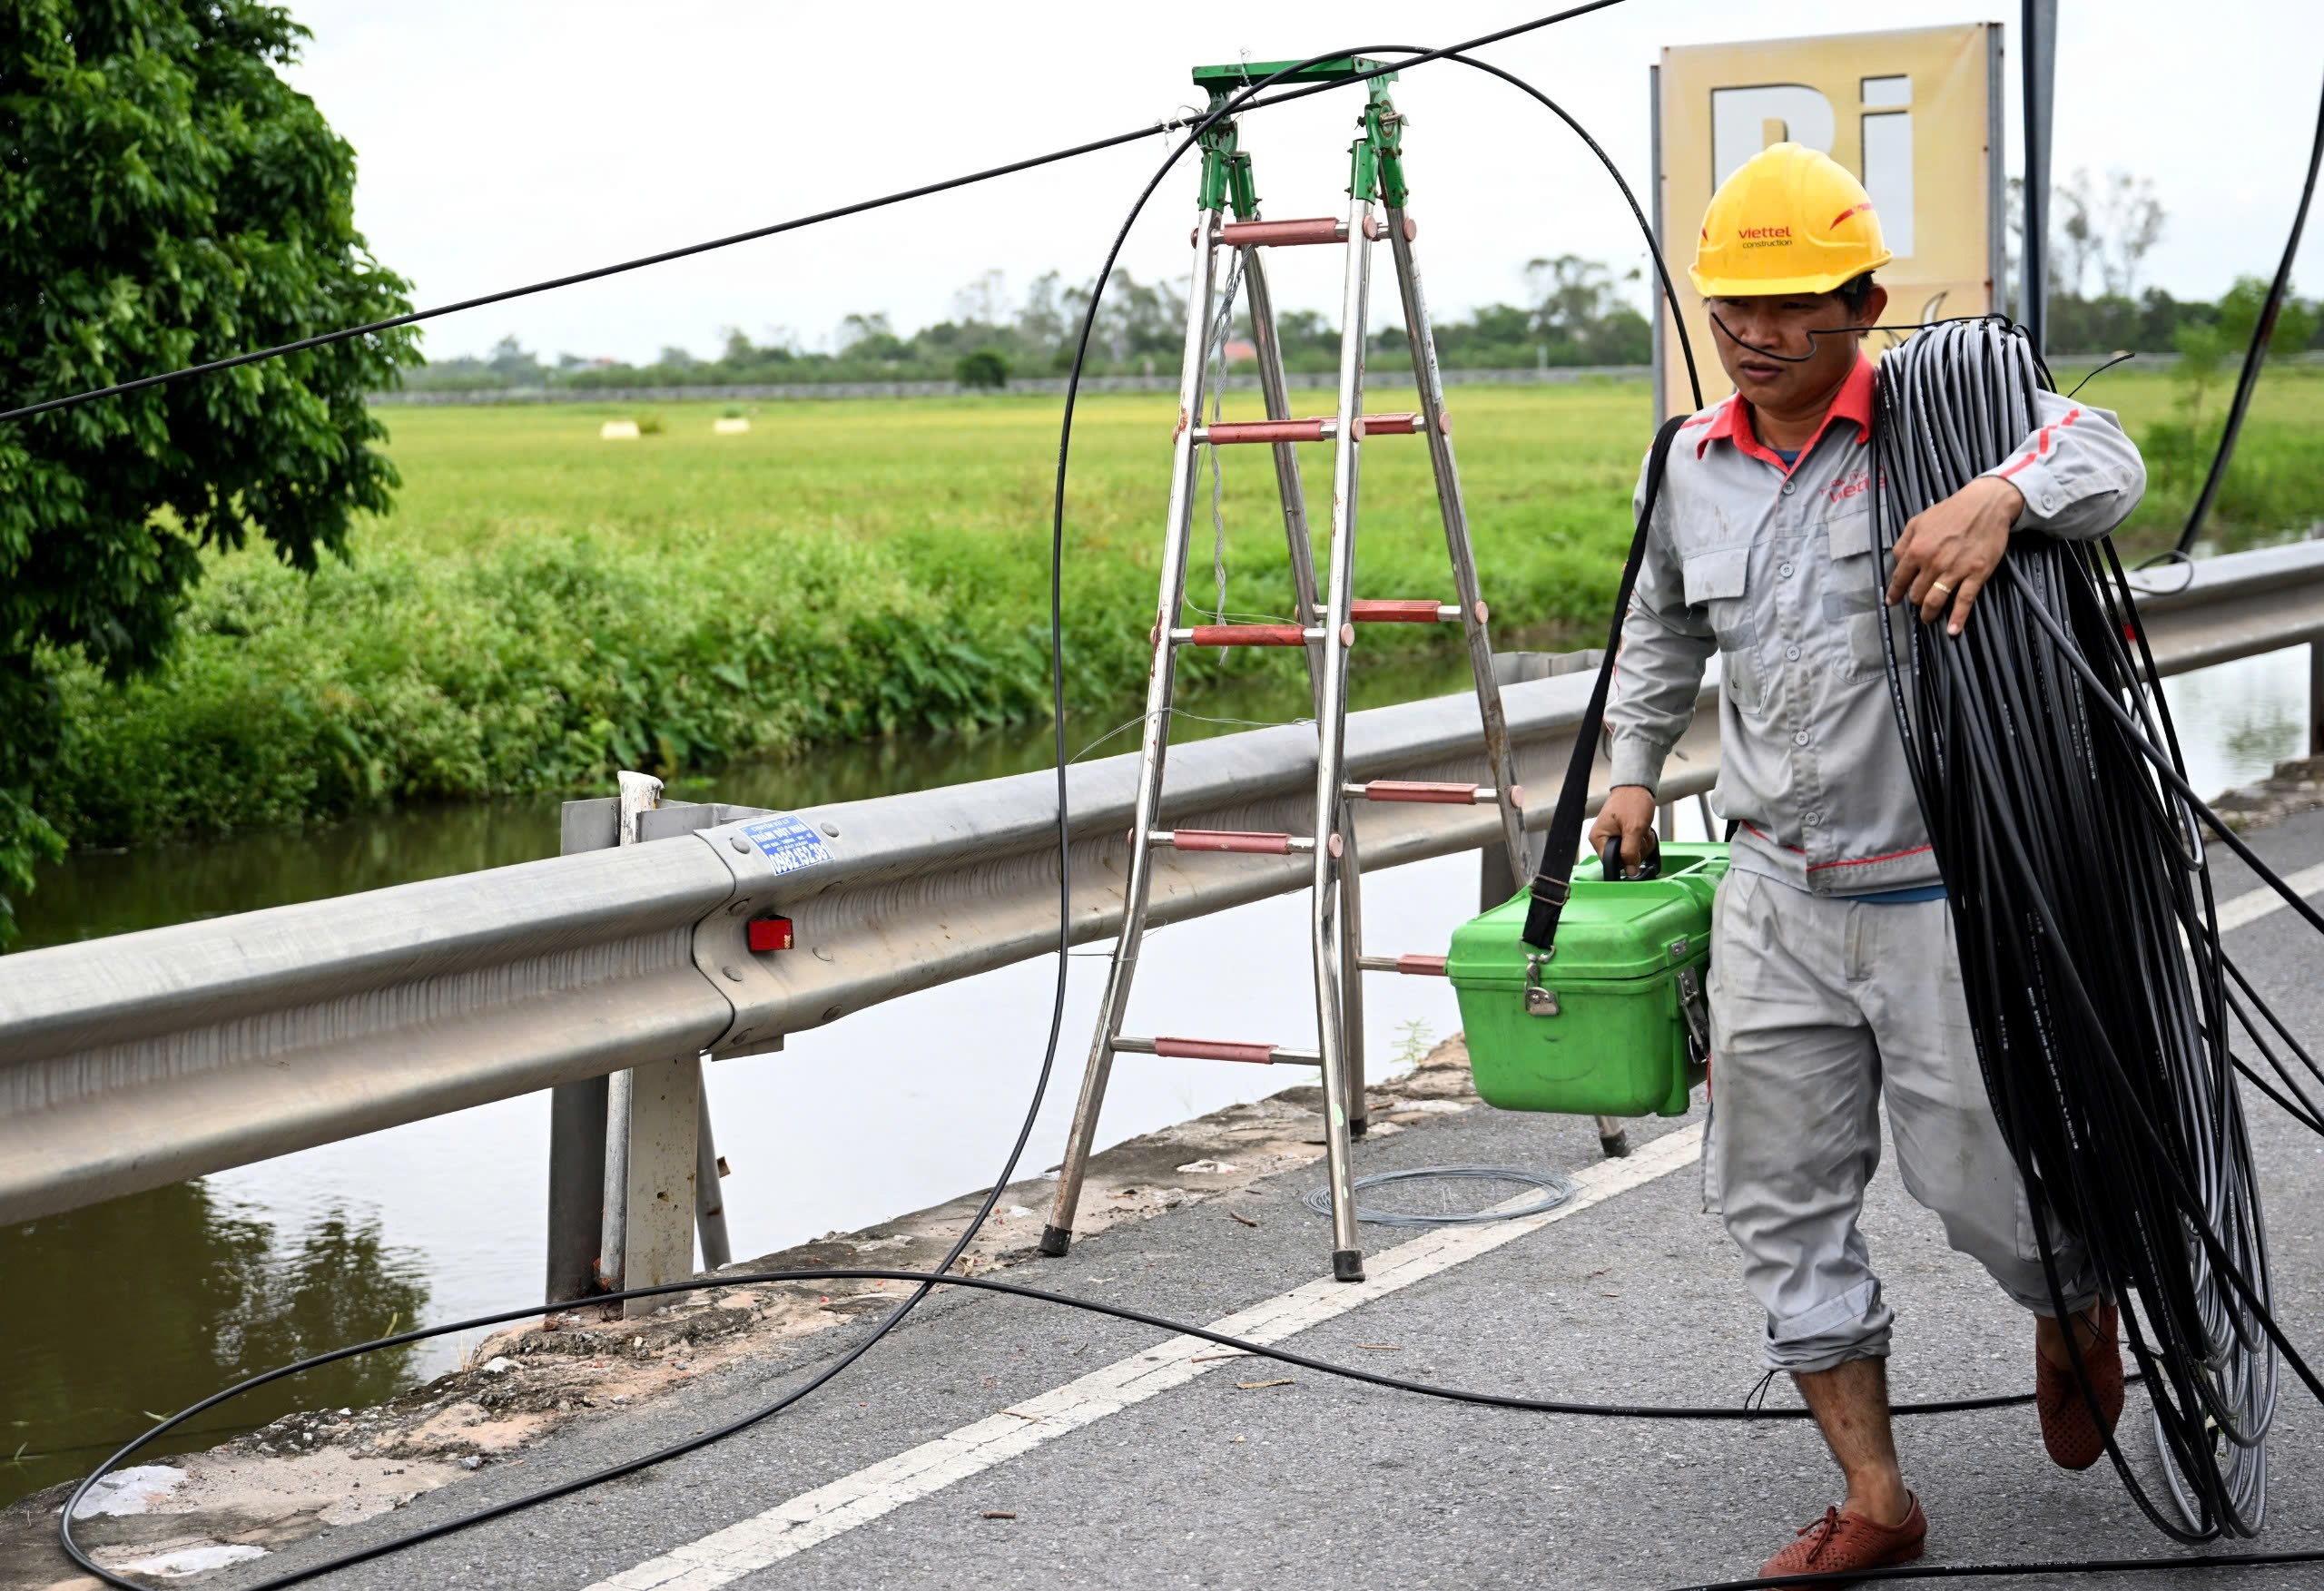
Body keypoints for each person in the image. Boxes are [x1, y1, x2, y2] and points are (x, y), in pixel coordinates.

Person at [1590, 142, 2148, 1582]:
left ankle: (2072, 1289)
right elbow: (1660, 629)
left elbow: (2110, 455)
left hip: (1932, 893)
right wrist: (1634, 767)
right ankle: (1877, 1494)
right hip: (1771, 888)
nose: (1757, 337)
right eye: (1732, 311)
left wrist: (2002, 498)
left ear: (1863, 301)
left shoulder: (1948, 418)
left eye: (1789, 307)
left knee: (1981, 1187)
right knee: (1771, 1194)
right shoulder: (1687, 462)